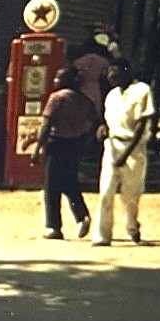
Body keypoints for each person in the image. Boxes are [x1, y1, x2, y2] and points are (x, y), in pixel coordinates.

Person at [94, 58, 154, 246]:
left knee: (131, 195)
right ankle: (102, 235)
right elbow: (109, 120)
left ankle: (132, 227)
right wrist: (103, 129)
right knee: (106, 190)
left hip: (133, 148)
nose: (110, 76)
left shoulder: (142, 91)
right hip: (112, 145)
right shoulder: (112, 95)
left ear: (126, 71)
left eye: (115, 71)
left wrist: (125, 154)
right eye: (109, 72)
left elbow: (141, 125)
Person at [34, 65, 96, 240]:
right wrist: (85, 140)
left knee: (51, 186)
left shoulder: (57, 98)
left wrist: (38, 148)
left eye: (58, 78)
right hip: (75, 143)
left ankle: (53, 226)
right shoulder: (84, 100)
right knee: (70, 182)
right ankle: (81, 215)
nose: (55, 80)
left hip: (56, 143)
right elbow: (94, 122)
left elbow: (46, 125)